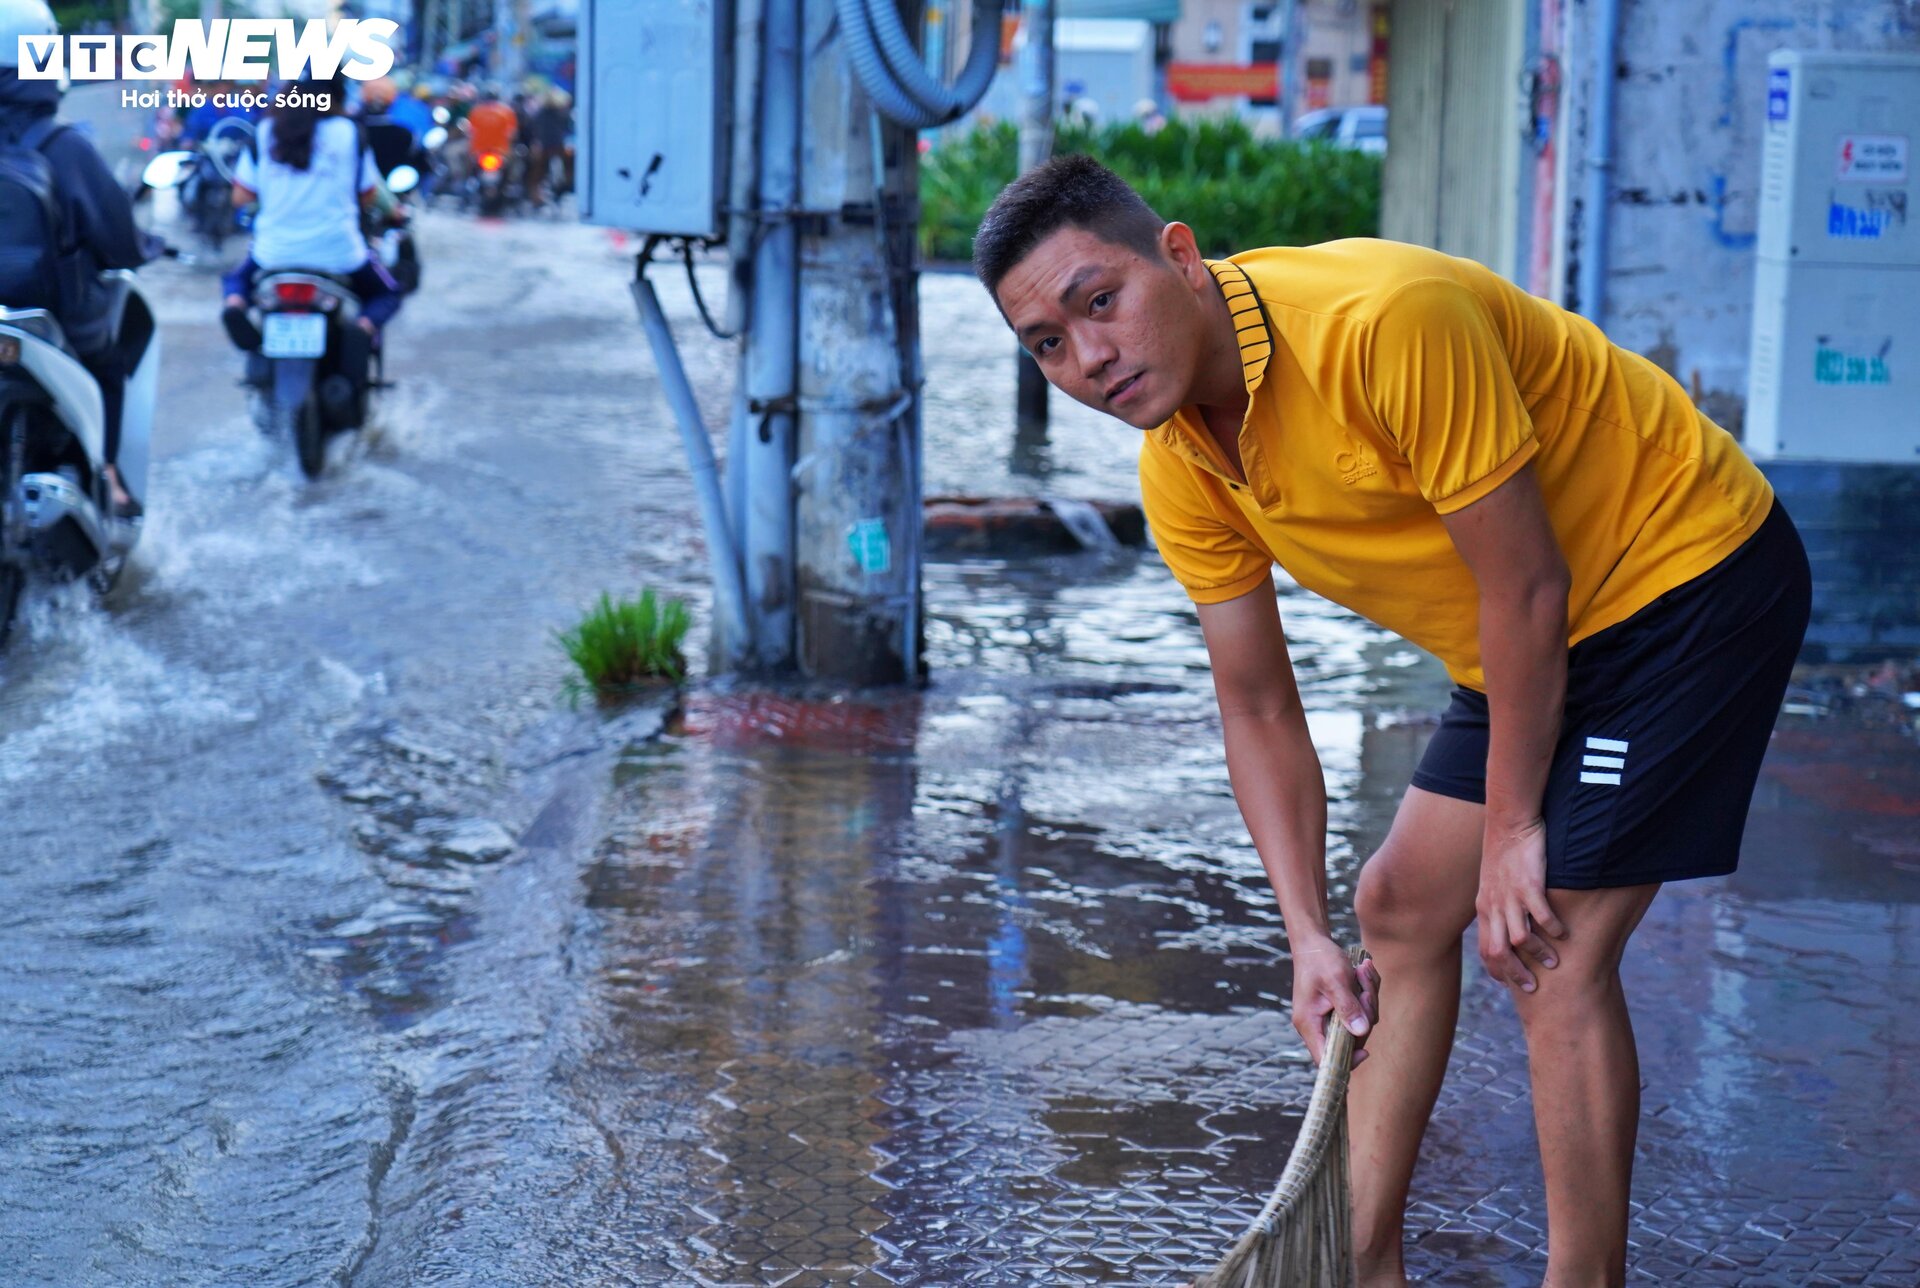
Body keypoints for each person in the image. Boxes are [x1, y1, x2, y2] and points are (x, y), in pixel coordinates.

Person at [974, 154, 1810, 1287]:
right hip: (1526, 632)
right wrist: (1306, 936)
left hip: (1682, 577)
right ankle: (1362, 1264)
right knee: (1396, 908)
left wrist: (1514, 834)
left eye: (1099, 300)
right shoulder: (1181, 468)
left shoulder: (1384, 324)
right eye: (1049, 344)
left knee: (1544, 947)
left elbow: (1527, 588)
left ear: (1178, 256)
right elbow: (1259, 702)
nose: (1090, 357)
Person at [0, 0, 154, 517]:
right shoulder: (66, 147)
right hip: (51, 324)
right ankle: (107, 475)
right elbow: (120, 243)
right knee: (110, 364)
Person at [220, 76, 403, 360]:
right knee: (388, 293)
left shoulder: (266, 130)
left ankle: (235, 305)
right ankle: (364, 327)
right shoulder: (349, 132)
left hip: (274, 254)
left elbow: (241, 197)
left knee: (235, 280)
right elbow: (368, 195)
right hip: (340, 254)